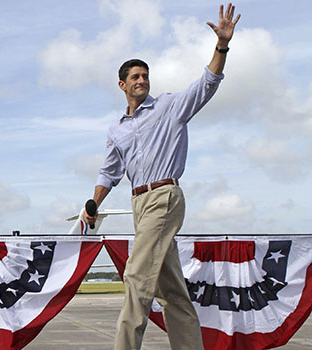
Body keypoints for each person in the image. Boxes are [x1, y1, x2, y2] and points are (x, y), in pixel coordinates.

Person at [82, 4, 240, 350]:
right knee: (172, 292)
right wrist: (93, 203)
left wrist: (222, 46)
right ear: (122, 85)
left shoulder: (169, 107)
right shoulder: (117, 129)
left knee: (137, 277)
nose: (142, 81)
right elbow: (109, 173)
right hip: (139, 204)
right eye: (135, 77)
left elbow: (206, 85)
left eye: (145, 76)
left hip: (164, 197)